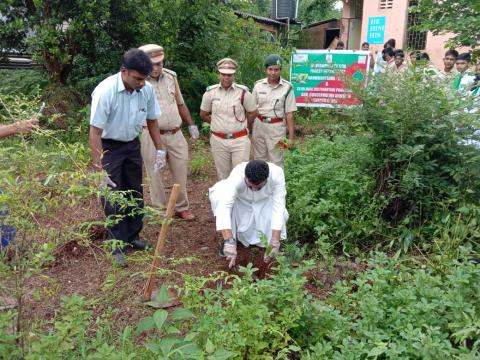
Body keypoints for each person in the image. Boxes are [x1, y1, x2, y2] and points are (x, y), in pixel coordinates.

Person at [89, 48, 164, 266]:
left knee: (134, 191)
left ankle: (133, 237)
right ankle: (116, 244)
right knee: (112, 196)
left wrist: (160, 148)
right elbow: (95, 131)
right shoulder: (106, 91)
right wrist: (98, 167)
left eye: (144, 79)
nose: (142, 83)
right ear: (124, 71)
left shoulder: (146, 90)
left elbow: (152, 120)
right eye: (138, 78)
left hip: (132, 144)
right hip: (109, 147)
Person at [138, 44, 198, 221]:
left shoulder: (171, 77)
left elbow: (179, 103)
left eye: (159, 63)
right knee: (154, 172)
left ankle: (181, 206)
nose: (156, 68)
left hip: (175, 133)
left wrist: (191, 124)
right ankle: (159, 209)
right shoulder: (139, 81)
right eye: (152, 64)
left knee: (180, 169)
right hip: (149, 134)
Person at [209, 160, 288, 269]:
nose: (254, 191)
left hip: (264, 202)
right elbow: (224, 207)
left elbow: (278, 207)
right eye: (250, 187)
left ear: (267, 179)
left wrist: (275, 240)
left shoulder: (277, 174)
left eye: (259, 188)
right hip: (240, 201)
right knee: (218, 195)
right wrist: (228, 241)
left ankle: (271, 244)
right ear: (245, 177)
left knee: (283, 213)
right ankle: (232, 239)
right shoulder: (237, 175)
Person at [200, 58, 258, 180]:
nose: (226, 78)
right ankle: (226, 199)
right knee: (223, 176)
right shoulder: (210, 93)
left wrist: (244, 125)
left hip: (240, 140)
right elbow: (204, 114)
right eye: (223, 74)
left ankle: (240, 199)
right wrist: (216, 123)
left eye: (229, 75)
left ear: (234, 75)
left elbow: (253, 112)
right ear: (218, 75)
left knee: (241, 175)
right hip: (218, 141)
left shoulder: (243, 93)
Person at [251, 54, 297, 168]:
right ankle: (261, 185)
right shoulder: (258, 86)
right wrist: (248, 128)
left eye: (276, 69)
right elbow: (251, 110)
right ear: (266, 70)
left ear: (280, 70)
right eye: (270, 69)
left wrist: (291, 138)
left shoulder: (287, 88)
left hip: (277, 129)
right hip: (259, 126)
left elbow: (289, 114)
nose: (273, 72)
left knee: (276, 161)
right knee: (259, 160)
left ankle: (276, 185)